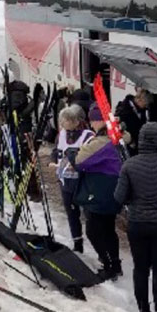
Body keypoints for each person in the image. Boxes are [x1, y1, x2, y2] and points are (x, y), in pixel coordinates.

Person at [114, 122, 157, 312]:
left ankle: (143, 310)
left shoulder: (129, 165)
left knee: (140, 268)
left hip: (137, 224)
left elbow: (119, 196)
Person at [72, 103, 123, 281]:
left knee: (93, 230)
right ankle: (115, 263)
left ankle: (109, 265)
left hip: (101, 192)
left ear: (100, 121)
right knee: (109, 229)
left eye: (93, 121)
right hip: (114, 190)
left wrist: (72, 154)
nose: (91, 125)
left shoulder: (102, 141)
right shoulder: (117, 135)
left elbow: (79, 161)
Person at [49, 104, 94, 253]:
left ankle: (99, 247)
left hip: (83, 182)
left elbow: (91, 156)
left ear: (76, 121)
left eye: (67, 121)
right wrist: (52, 160)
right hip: (65, 181)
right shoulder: (61, 134)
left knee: (90, 215)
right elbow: (56, 151)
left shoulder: (88, 135)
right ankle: (77, 243)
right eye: (63, 121)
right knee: (71, 213)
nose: (63, 124)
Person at [115, 88, 151, 156]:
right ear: (139, 100)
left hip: (138, 146)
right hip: (128, 147)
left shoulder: (142, 111)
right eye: (145, 103)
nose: (146, 106)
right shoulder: (124, 110)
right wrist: (131, 141)